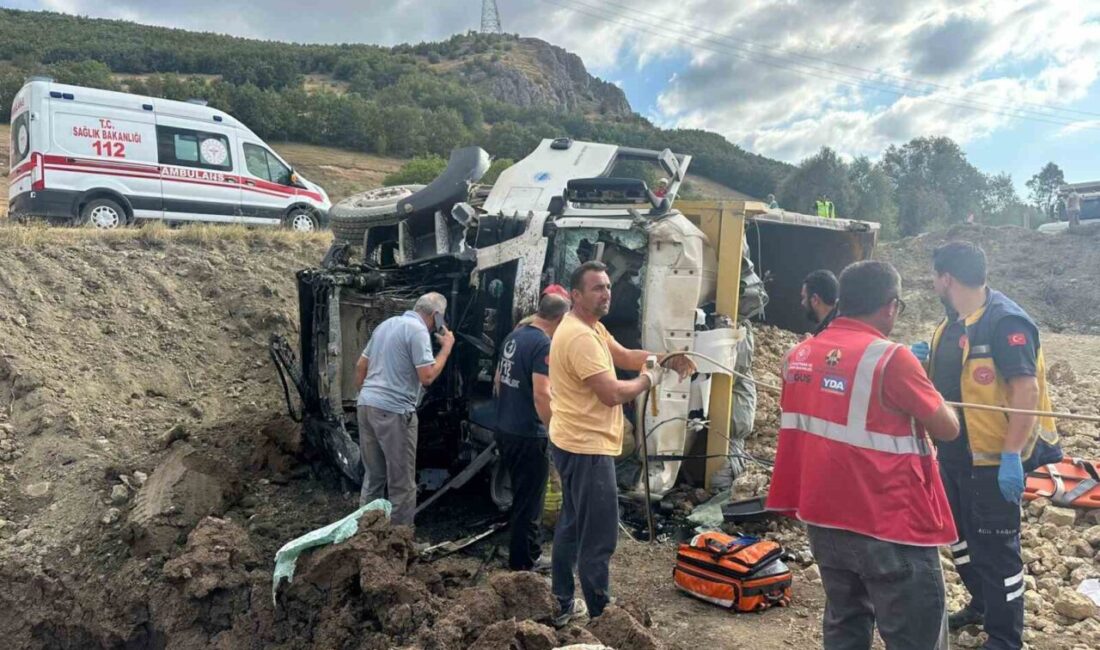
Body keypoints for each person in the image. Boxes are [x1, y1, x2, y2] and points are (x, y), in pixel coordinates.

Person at [766, 260, 960, 650]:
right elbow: (947, 429)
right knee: (914, 635)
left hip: (825, 519)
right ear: (890, 306)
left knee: (845, 621)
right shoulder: (892, 358)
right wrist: (930, 390)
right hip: (889, 524)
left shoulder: (800, 355)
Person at [917, 241, 1060, 649]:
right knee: (961, 540)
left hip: (993, 461)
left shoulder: (1004, 322)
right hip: (955, 455)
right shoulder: (953, 323)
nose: (933, 283)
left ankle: (1004, 637)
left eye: (934, 276)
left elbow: (1025, 390)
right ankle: (982, 604)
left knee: (997, 552)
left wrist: (1012, 455)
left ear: (946, 278)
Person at [548, 260, 695, 626]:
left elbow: (625, 356)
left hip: (573, 441)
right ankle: (602, 616)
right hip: (587, 448)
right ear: (576, 295)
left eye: (608, 286)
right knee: (598, 536)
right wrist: (649, 380)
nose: (606, 293)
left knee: (571, 523)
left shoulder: (592, 328)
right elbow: (613, 394)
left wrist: (664, 359)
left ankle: (561, 600)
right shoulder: (580, 337)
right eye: (597, 288)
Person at [354, 292, 454, 527]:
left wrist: (367, 396)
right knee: (402, 483)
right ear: (437, 316)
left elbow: (360, 366)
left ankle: (364, 534)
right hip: (394, 411)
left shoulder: (386, 325)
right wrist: (446, 348)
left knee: (374, 477)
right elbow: (427, 376)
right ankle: (398, 544)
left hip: (366, 405)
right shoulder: (417, 331)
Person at [494, 291, 571, 572]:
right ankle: (525, 562)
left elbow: (500, 381)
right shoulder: (543, 345)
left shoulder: (515, 336)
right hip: (529, 433)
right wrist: (554, 432)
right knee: (531, 502)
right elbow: (542, 394)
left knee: (521, 497)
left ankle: (522, 552)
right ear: (561, 318)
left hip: (506, 429)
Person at [801, 269, 838, 336]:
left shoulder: (830, 335)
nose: (802, 303)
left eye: (804, 297)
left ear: (815, 299)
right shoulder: (843, 322)